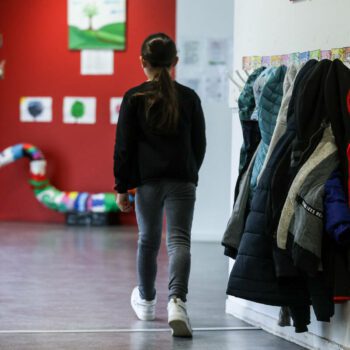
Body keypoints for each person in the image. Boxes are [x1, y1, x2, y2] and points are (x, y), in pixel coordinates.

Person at [113, 33, 206, 337]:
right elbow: (199, 144)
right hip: (182, 180)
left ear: (142, 62)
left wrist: (122, 188)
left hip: (148, 183)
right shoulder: (189, 98)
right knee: (179, 241)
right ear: (175, 62)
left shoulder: (133, 98)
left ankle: (148, 301)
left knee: (148, 241)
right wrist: (190, 173)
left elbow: (124, 147)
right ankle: (177, 301)